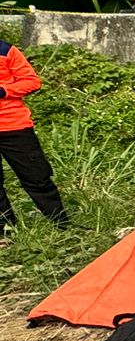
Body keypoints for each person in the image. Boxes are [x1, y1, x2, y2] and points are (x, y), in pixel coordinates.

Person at [0, 37, 68, 232]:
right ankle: (5, 231)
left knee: (37, 177)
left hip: (14, 126)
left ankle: (60, 224)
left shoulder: (5, 50)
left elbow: (32, 81)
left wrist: (4, 90)